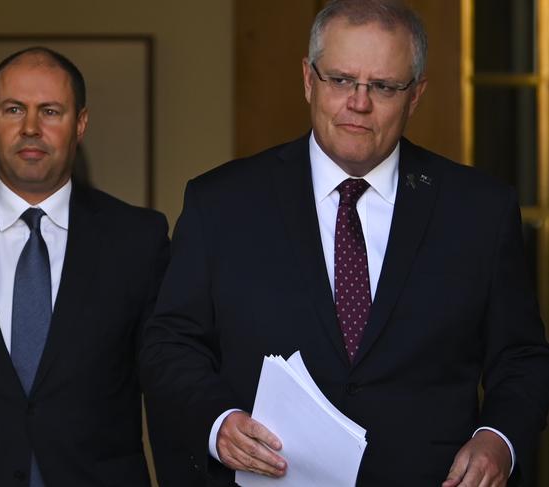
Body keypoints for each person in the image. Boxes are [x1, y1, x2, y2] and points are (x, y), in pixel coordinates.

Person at [140, 1, 549, 485]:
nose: (359, 102)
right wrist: (217, 423)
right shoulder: (221, 203)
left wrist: (498, 439)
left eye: (383, 86)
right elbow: (170, 344)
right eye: (341, 80)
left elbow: (521, 358)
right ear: (308, 80)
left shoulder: (479, 210)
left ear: (415, 95)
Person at [0, 46, 169, 486]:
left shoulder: (138, 240)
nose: (30, 128)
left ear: (79, 124)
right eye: (13, 110)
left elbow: (165, 388)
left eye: (49, 111)